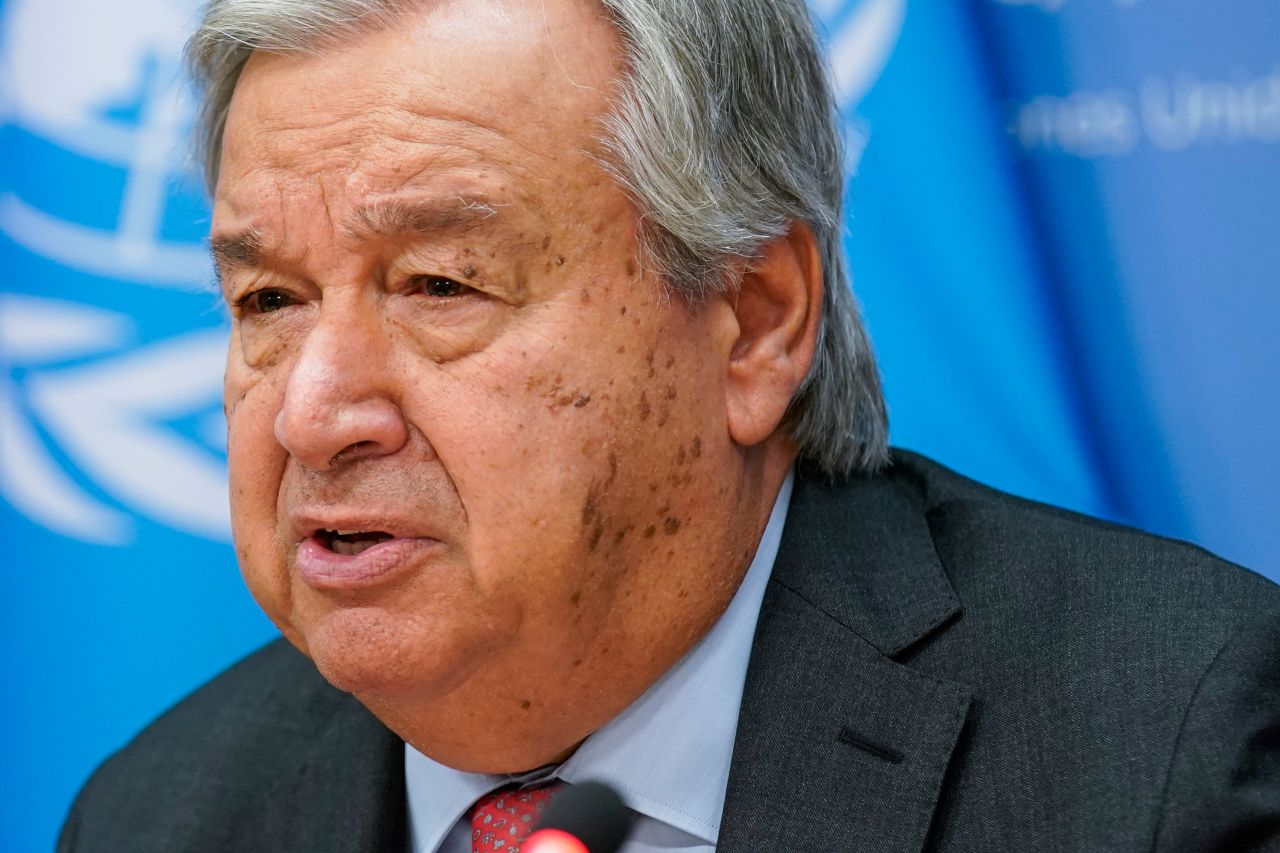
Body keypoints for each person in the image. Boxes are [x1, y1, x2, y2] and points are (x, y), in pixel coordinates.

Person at [59, 0, 1280, 851]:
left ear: (752, 321)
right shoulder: (159, 815)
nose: (315, 412)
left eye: (440, 285)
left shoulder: (1167, 750)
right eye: (268, 300)